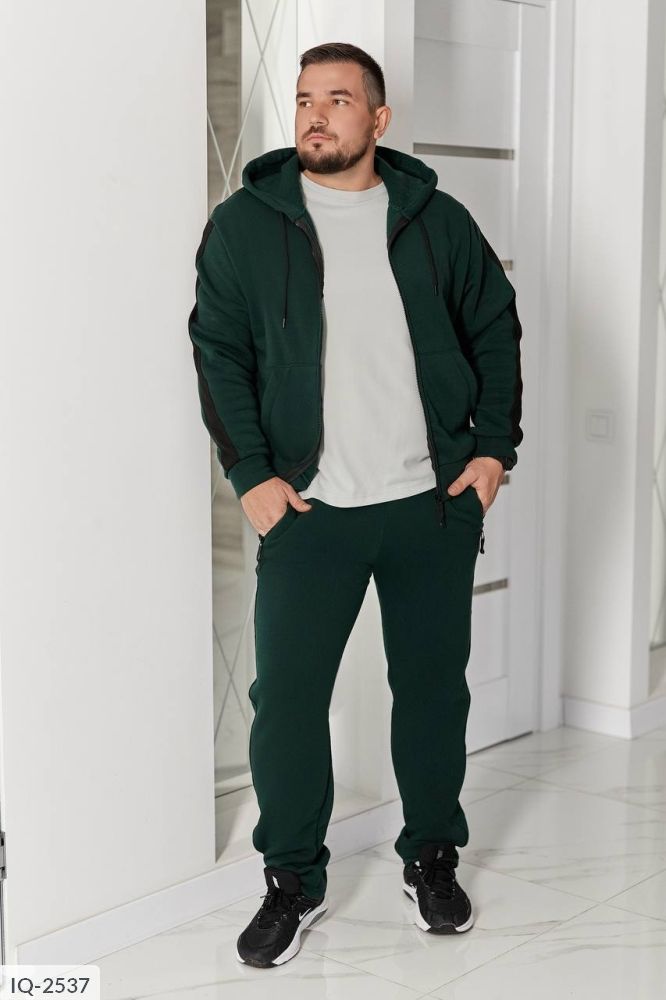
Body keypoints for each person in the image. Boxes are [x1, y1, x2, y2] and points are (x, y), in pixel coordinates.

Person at [188, 41, 523, 969]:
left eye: (338, 99)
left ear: (378, 119)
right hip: (309, 511)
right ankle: (292, 879)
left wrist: (491, 451)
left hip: (430, 504)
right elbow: (218, 351)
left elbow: (496, 329)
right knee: (287, 702)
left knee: (432, 692)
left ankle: (432, 857)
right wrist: (252, 473)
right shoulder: (246, 225)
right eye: (305, 98)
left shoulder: (436, 221)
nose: (316, 114)